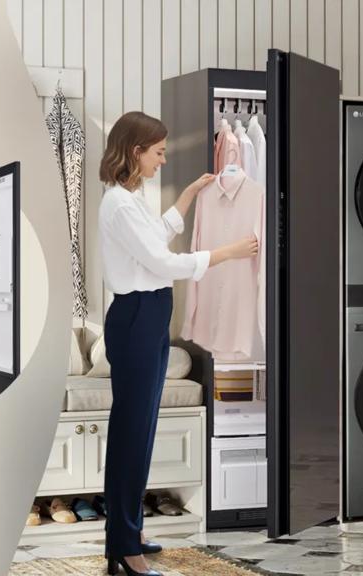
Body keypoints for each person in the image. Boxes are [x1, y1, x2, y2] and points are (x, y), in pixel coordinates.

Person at [96, 111, 259, 576]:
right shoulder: (120, 205)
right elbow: (163, 262)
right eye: (159, 153)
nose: (163, 161)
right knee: (131, 433)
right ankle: (124, 549)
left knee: (140, 430)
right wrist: (227, 253)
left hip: (145, 316)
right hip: (137, 317)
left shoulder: (128, 198)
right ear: (135, 151)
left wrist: (188, 196)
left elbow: (157, 236)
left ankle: (130, 533)